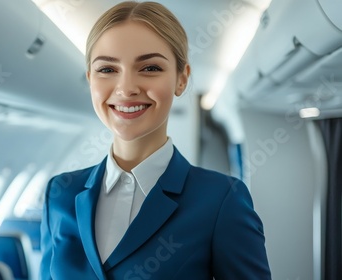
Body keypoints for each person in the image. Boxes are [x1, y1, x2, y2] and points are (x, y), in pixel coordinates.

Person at [40, 1, 271, 279]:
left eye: (149, 68)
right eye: (107, 70)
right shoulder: (60, 194)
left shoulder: (222, 200)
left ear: (181, 79)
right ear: (90, 79)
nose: (126, 89)